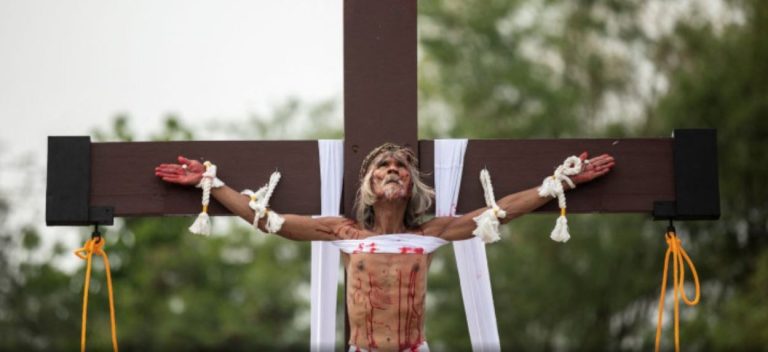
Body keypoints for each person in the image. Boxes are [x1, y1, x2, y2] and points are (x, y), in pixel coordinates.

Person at [154, 143, 615, 351]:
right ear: (369, 186)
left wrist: (562, 182)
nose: (392, 169)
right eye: (382, 167)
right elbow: (267, 221)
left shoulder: (430, 233)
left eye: (400, 166)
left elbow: (501, 212)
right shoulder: (343, 232)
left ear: (411, 185)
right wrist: (211, 185)